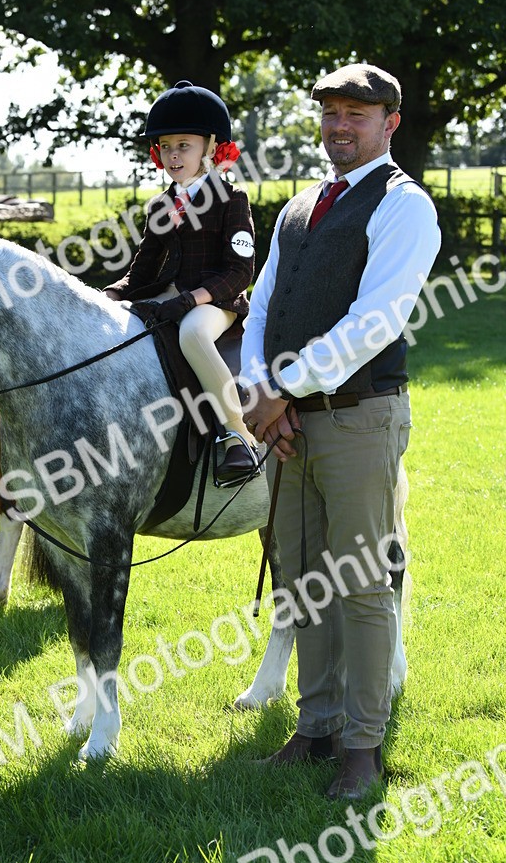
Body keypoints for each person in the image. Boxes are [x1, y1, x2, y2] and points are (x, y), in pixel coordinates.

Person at [240, 63, 441, 799]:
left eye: (358, 113)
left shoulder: (403, 206)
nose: (340, 126)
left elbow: (376, 322)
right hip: (290, 423)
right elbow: (262, 307)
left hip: (359, 417)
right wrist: (260, 389)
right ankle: (316, 725)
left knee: (360, 583)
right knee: (302, 583)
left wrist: (280, 390)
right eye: (331, 112)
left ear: (391, 123)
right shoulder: (298, 207)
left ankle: (363, 746)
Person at [104, 80, 260, 484]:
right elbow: (143, 271)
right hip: (168, 297)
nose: (174, 155)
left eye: (184, 146)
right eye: (167, 147)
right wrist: (108, 296)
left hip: (216, 304)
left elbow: (240, 271)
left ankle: (237, 437)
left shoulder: (232, 199)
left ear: (210, 147)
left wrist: (193, 300)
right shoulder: (161, 204)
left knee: (192, 334)